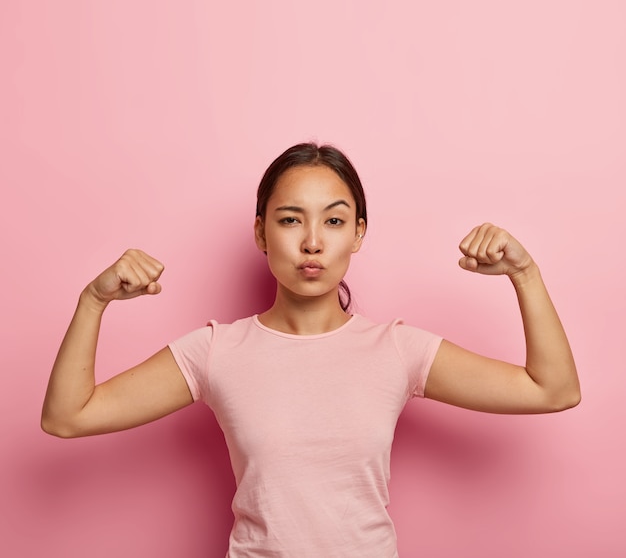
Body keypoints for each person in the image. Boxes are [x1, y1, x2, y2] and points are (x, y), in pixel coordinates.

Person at [41, 142, 581, 557]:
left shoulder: (395, 349)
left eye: (335, 220)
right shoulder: (217, 351)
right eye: (291, 219)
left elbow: (552, 390)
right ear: (261, 232)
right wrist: (93, 302)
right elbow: (68, 416)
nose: (313, 242)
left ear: (358, 233)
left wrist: (525, 275)